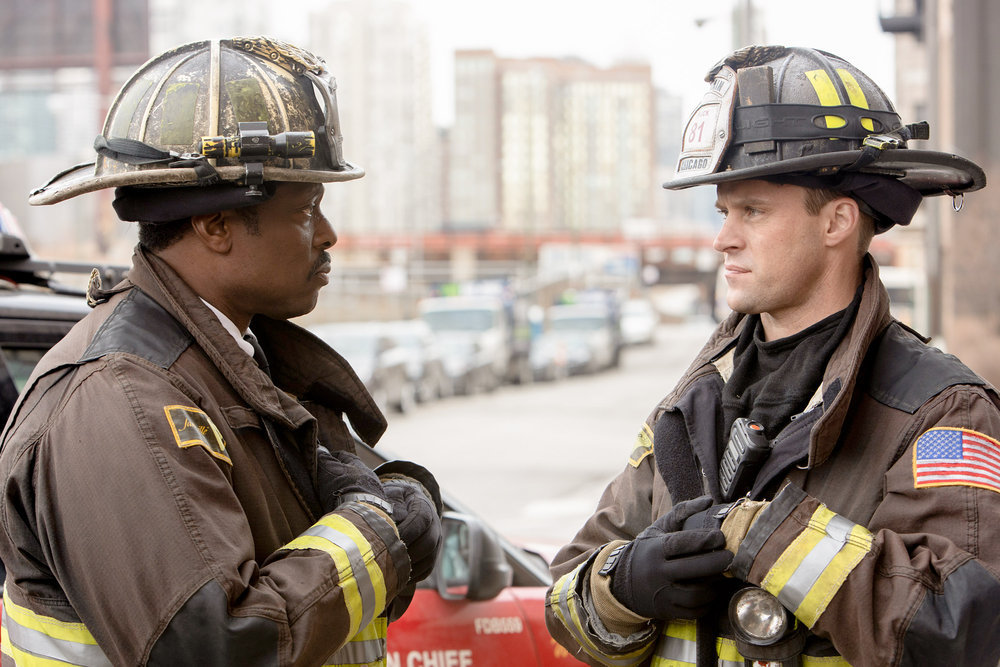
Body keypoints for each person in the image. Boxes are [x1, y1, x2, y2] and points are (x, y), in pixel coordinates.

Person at [545, 45, 1000, 667]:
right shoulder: (694, 401)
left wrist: (764, 535)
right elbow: (564, 602)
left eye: (753, 211)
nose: (722, 238)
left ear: (837, 221)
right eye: (724, 211)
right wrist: (623, 586)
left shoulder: (940, 412)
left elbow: (960, 630)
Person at [0, 37, 442, 667]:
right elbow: (213, 647)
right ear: (214, 225)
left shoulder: (236, 363)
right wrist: (377, 533)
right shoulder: (121, 401)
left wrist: (394, 502)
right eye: (306, 208)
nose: (329, 235)